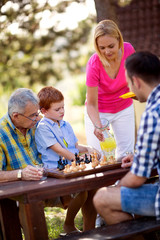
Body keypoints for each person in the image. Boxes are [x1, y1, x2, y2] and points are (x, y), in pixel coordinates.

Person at [93, 51, 160, 225]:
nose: (129, 89)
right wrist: (140, 157)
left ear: (136, 81)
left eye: (128, 83)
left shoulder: (153, 113)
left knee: (102, 198)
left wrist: (115, 189)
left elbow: (138, 177)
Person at [35, 86, 100, 233]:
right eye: (57, 109)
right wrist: (82, 160)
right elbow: (60, 150)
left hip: (70, 168)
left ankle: (90, 230)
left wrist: (89, 149)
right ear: (44, 111)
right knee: (82, 190)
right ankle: (68, 224)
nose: (62, 112)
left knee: (93, 186)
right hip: (54, 171)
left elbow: (74, 146)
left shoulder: (65, 124)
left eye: (63, 107)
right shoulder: (43, 127)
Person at [84, 19, 135, 161]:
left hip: (124, 108)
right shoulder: (94, 64)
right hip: (99, 112)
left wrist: (132, 95)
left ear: (119, 40)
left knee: (126, 156)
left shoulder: (129, 50)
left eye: (111, 46)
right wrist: (97, 126)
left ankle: (124, 184)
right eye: (102, 48)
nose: (106, 51)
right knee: (99, 158)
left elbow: (136, 80)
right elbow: (92, 103)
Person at [0, 88, 43, 182]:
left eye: (37, 113)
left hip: (47, 183)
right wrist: (20, 174)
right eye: (33, 115)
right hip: (19, 192)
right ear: (16, 116)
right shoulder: (1, 133)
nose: (38, 118)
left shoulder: (35, 123)